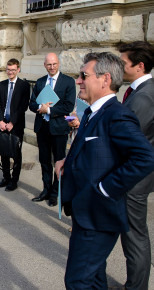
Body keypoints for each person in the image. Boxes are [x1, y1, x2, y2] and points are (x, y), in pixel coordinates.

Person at [55, 52, 154, 289]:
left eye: (83, 75)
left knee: (77, 281)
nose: (78, 80)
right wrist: (67, 163)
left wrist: (106, 188)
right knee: (95, 279)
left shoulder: (116, 115)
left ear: (105, 79)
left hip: (98, 215)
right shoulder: (92, 111)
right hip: (84, 209)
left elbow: (145, 157)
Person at [118, 41, 154, 290]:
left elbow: (125, 138)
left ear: (139, 66)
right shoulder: (139, 90)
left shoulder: (144, 97)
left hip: (135, 179)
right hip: (136, 175)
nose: (120, 68)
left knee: (135, 237)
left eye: (123, 63)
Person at [29, 53, 75, 206]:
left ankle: (55, 193)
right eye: (49, 64)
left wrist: (48, 110)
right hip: (42, 128)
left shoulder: (68, 81)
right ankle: (46, 190)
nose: (52, 67)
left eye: (54, 64)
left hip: (59, 128)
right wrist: (39, 108)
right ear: (44, 65)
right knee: (44, 161)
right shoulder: (40, 82)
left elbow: (68, 106)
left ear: (59, 64)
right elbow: (32, 103)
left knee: (59, 161)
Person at [0, 58, 31, 191]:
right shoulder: (2, 85)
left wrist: (12, 122)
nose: (10, 72)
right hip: (3, 124)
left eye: (13, 70)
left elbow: (23, 106)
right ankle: (6, 178)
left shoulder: (24, 86)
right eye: (8, 70)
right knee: (3, 152)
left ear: (18, 70)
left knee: (16, 154)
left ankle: (14, 181)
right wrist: (0, 121)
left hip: (16, 125)